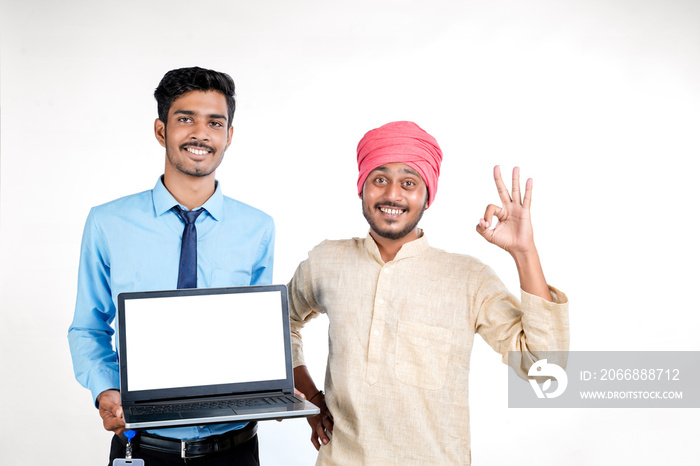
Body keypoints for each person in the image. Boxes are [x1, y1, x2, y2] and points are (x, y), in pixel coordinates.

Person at [288, 121, 569, 465]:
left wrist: (524, 252)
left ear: (427, 195)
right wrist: (310, 400)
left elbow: (544, 367)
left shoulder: (468, 277)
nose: (393, 194)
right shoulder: (326, 261)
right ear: (361, 187)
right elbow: (278, 327)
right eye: (380, 179)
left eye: (409, 182)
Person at [68, 66, 274, 465]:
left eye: (214, 122)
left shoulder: (258, 228)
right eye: (185, 119)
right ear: (162, 131)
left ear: (228, 136)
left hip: (234, 449)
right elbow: (89, 325)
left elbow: (258, 332)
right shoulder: (107, 223)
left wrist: (273, 382)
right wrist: (105, 389)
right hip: (144, 446)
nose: (201, 133)